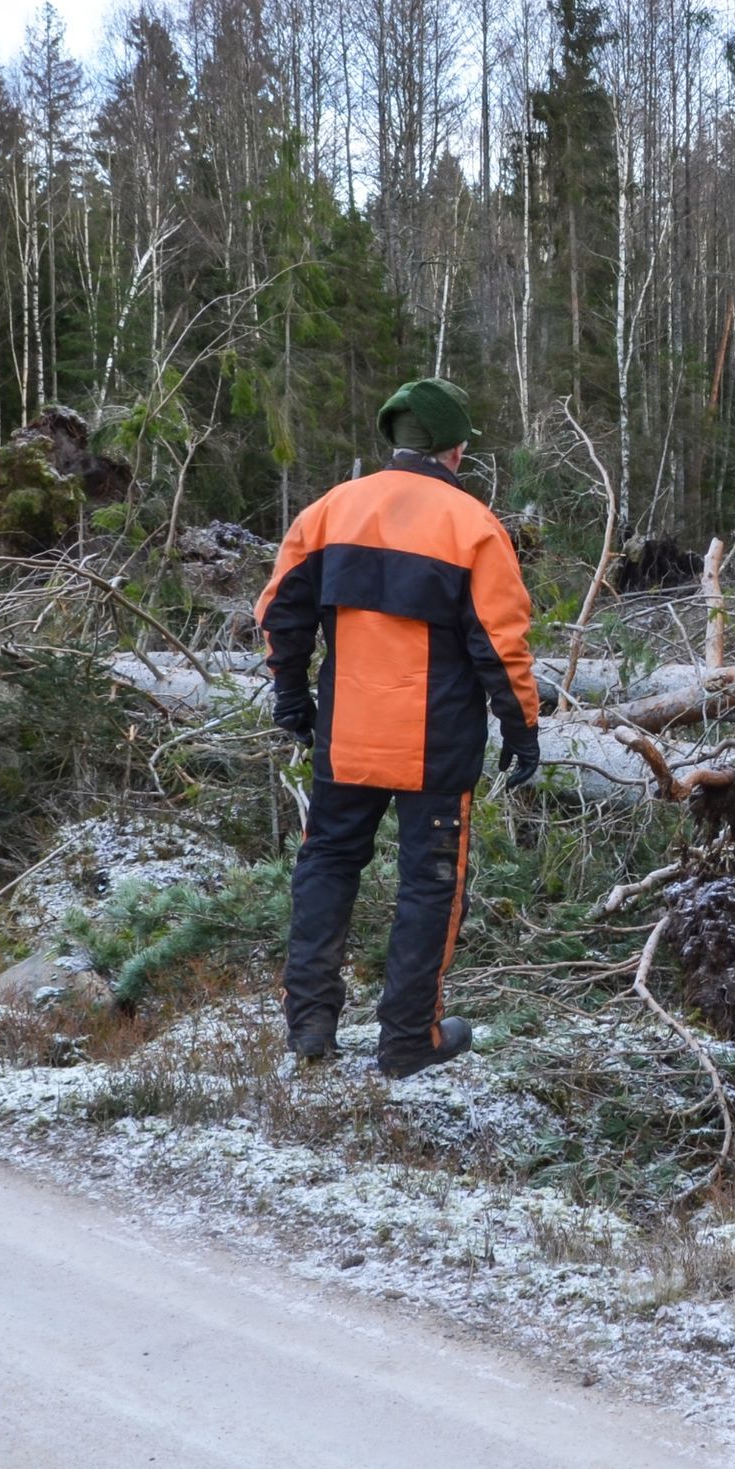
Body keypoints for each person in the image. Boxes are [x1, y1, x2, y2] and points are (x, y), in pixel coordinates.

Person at [255, 378, 543, 1079]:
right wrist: (522, 728)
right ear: (456, 447)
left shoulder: (328, 512)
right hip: (436, 745)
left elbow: (279, 616)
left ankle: (311, 1026)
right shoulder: (472, 524)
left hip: (345, 734)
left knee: (325, 864)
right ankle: (409, 1039)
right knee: (430, 884)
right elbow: (499, 643)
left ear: (395, 439)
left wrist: (291, 696)